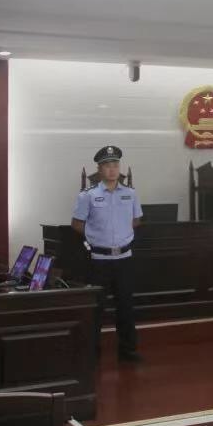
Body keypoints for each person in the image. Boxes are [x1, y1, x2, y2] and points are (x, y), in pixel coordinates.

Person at [72, 146, 143, 363]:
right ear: (99, 169)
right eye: (107, 166)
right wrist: (96, 236)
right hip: (99, 260)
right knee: (96, 307)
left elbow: (136, 220)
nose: (112, 170)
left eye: (115, 165)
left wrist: (121, 235)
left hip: (124, 259)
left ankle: (128, 349)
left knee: (126, 306)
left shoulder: (130, 194)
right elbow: (77, 224)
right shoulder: (88, 195)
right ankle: (92, 351)